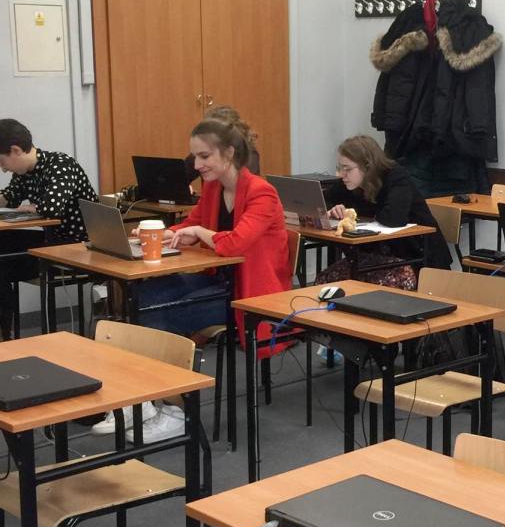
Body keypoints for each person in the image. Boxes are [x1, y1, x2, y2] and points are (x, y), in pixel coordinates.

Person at [101, 109, 291, 443]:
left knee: (160, 315)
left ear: (229, 153)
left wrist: (201, 233)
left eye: (204, 156)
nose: (197, 164)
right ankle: (141, 399)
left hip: (249, 294)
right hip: (220, 280)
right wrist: (163, 234)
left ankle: (175, 411)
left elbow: (235, 243)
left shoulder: (262, 193)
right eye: (196, 156)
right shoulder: (214, 188)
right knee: (142, 298)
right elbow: (193, 223)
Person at [0, 118, 98, 340]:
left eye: (2, 161)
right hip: (50, 239)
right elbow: (10, 197)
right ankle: (5, 333)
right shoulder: (24, 173)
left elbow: (52, 208)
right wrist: (28, 207)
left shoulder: (60, 164)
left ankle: (4, 335)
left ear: (15, 150)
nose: (3, 169)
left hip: (74, 245)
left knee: (2, 265)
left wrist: (33, 208)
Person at [316, 134, 452, 289]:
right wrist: (334, 209)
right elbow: (325, 199)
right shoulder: (350, 182)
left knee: (364, 288)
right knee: (325, 281)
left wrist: (356, 210)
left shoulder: (396, 176)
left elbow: (393, 218)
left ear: (367, 167)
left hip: (416, 258)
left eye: (347, 169)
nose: (341, 174)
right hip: (376, 257)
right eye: (339, 168)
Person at [183, 105, 260, 183]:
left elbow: (246, 184)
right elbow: (182, 176)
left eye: (205, 156)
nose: (197, 166)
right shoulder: (203, 150)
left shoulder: (249, 154)